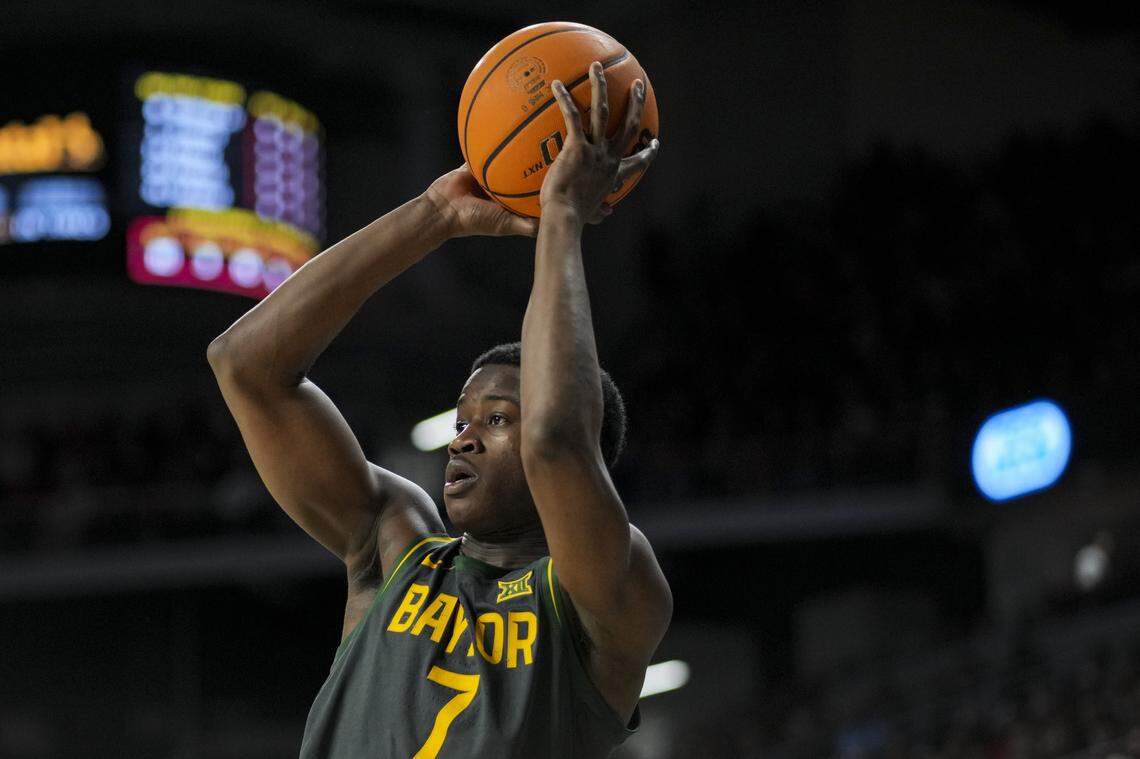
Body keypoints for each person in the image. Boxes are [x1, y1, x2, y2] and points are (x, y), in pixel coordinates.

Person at [208, 61, 669, 758]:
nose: (464, 440)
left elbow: (555, 441)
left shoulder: (605, 590)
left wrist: (563, 217)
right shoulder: (393, 549)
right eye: (461, 420)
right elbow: (246, 366)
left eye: (495, 419)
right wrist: (435, 216)